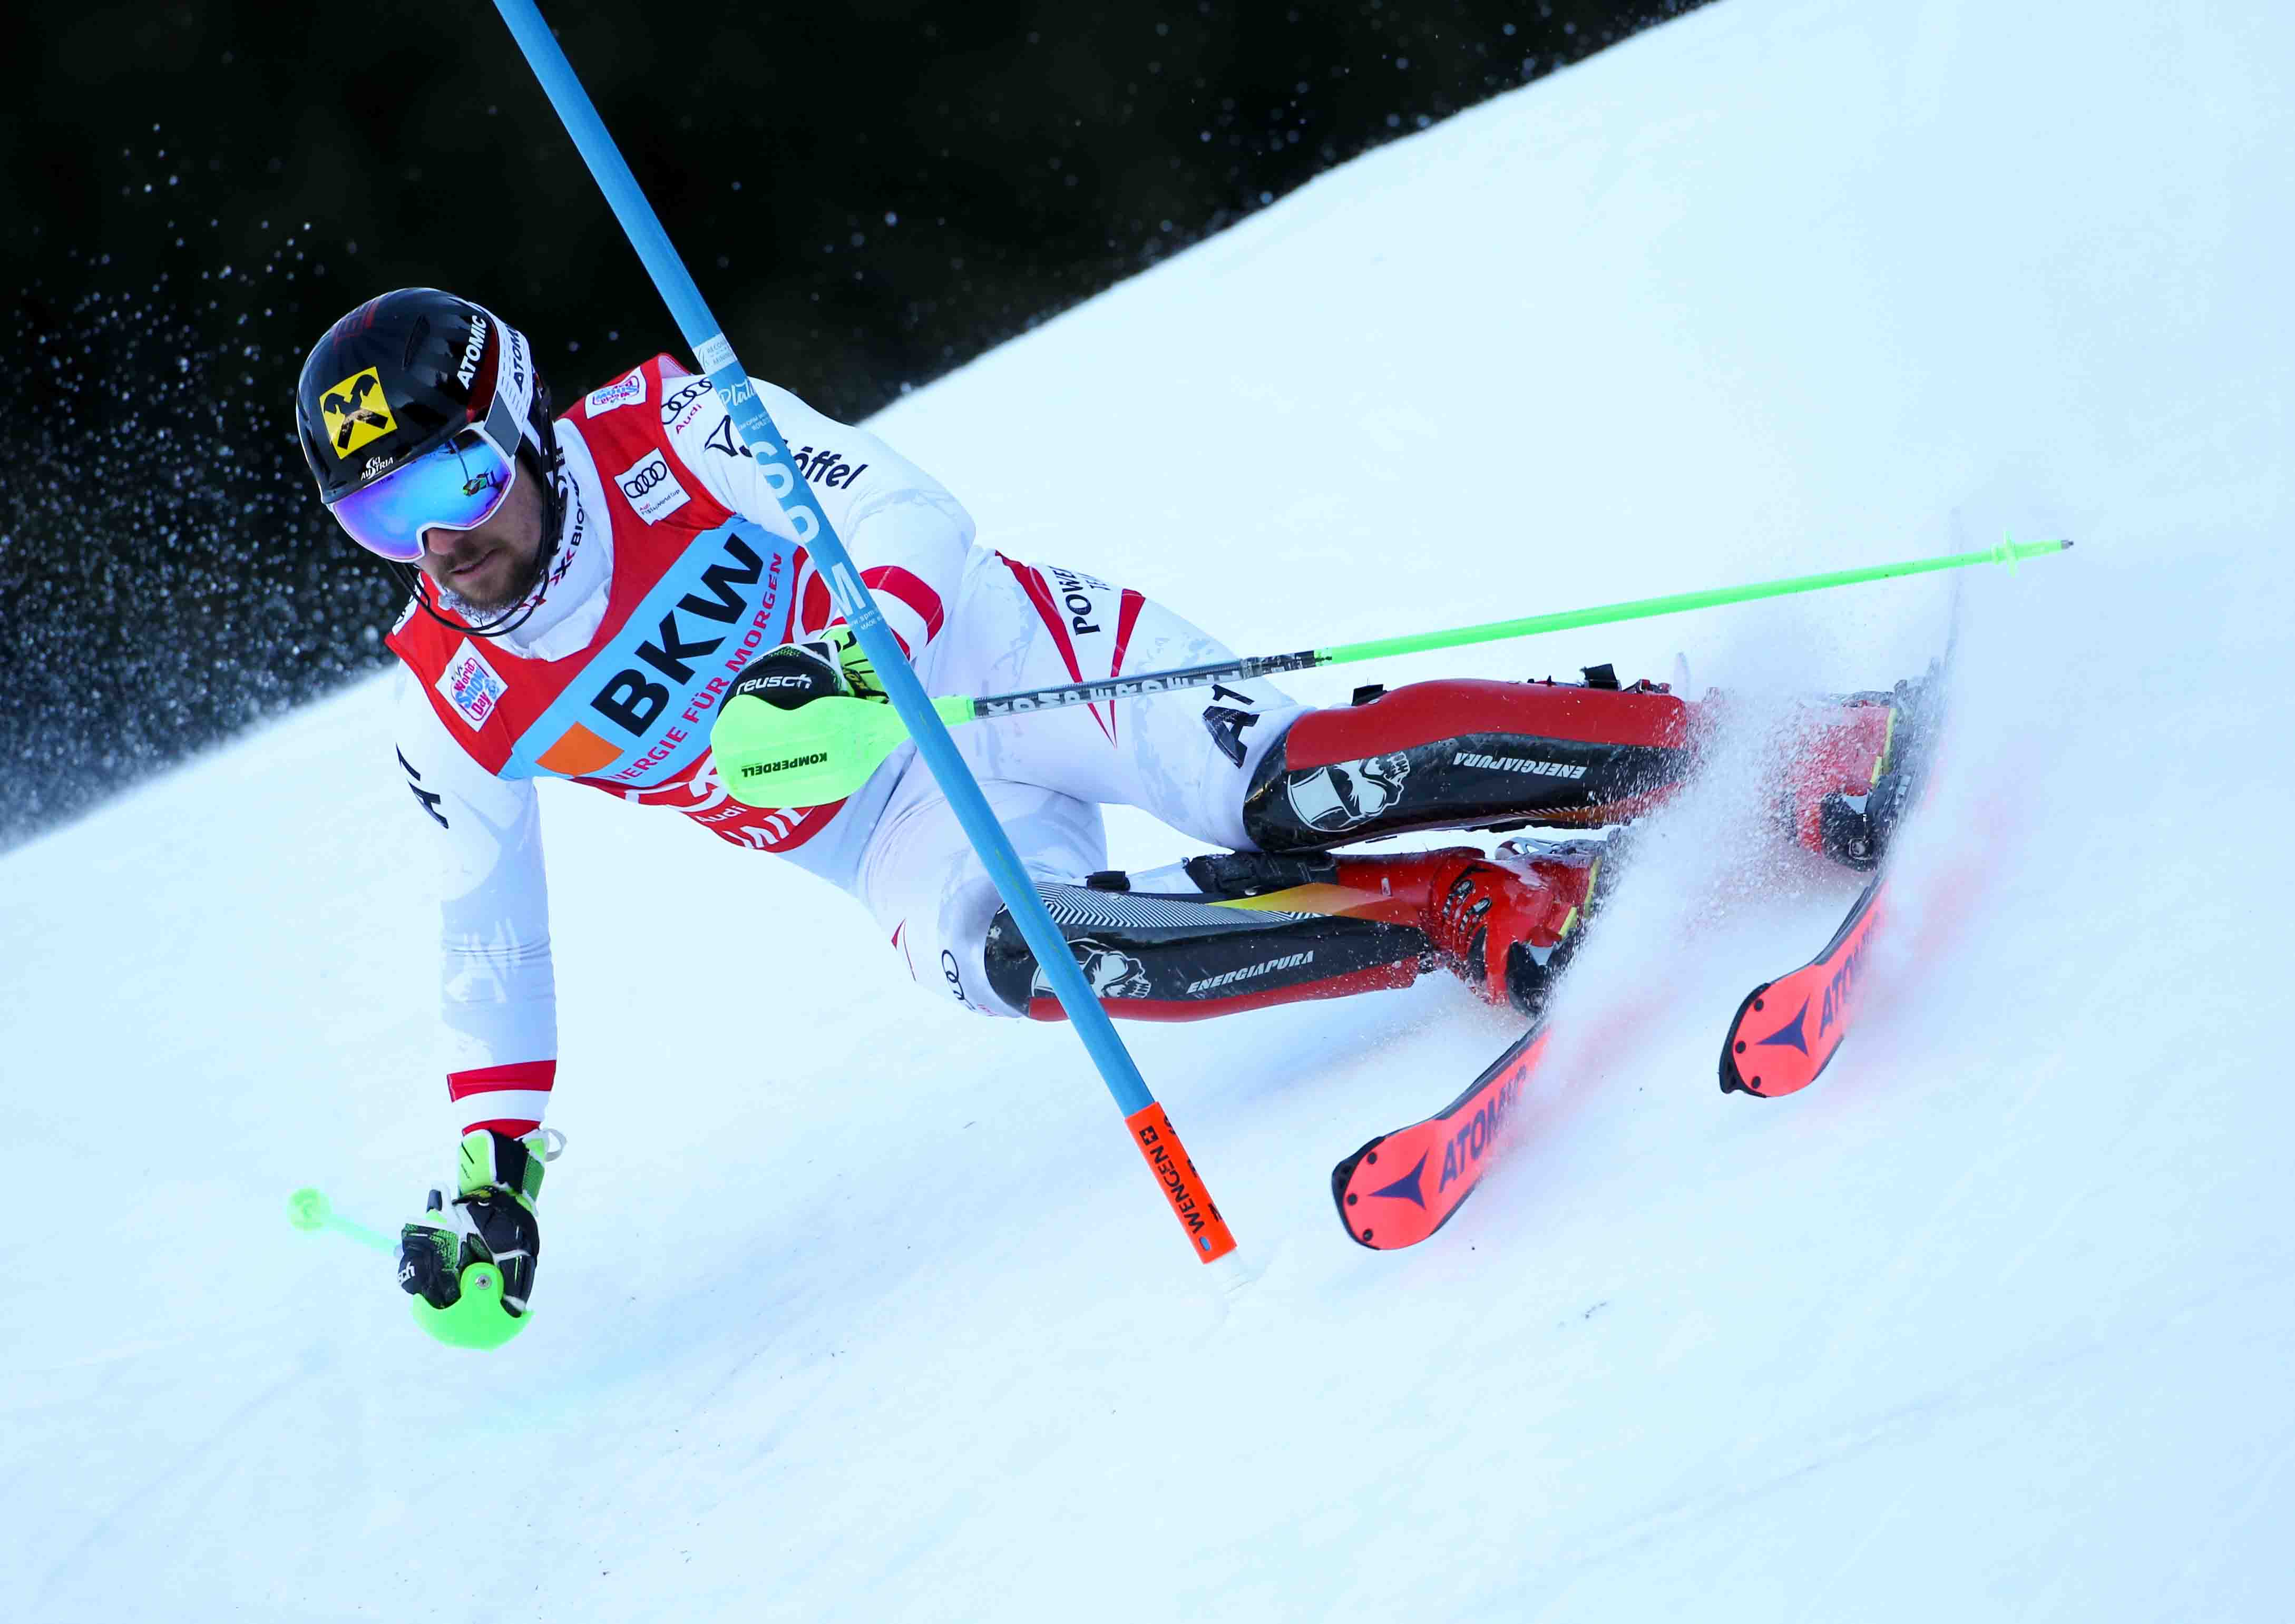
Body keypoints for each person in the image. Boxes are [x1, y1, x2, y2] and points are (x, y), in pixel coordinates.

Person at [295, 288, 1915, 1334]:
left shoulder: (672, 423)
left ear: (518, 431)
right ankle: (1472, 908)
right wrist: (496, 1162)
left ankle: (1781, 740)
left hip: (1002, 661)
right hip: (886, 838)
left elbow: (915, 517)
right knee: (1046, 963)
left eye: (450, 481)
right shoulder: (451, 692)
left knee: (1296, 784)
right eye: (383, 520)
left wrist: (854, 664)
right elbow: (484, 935)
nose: (440, 543)